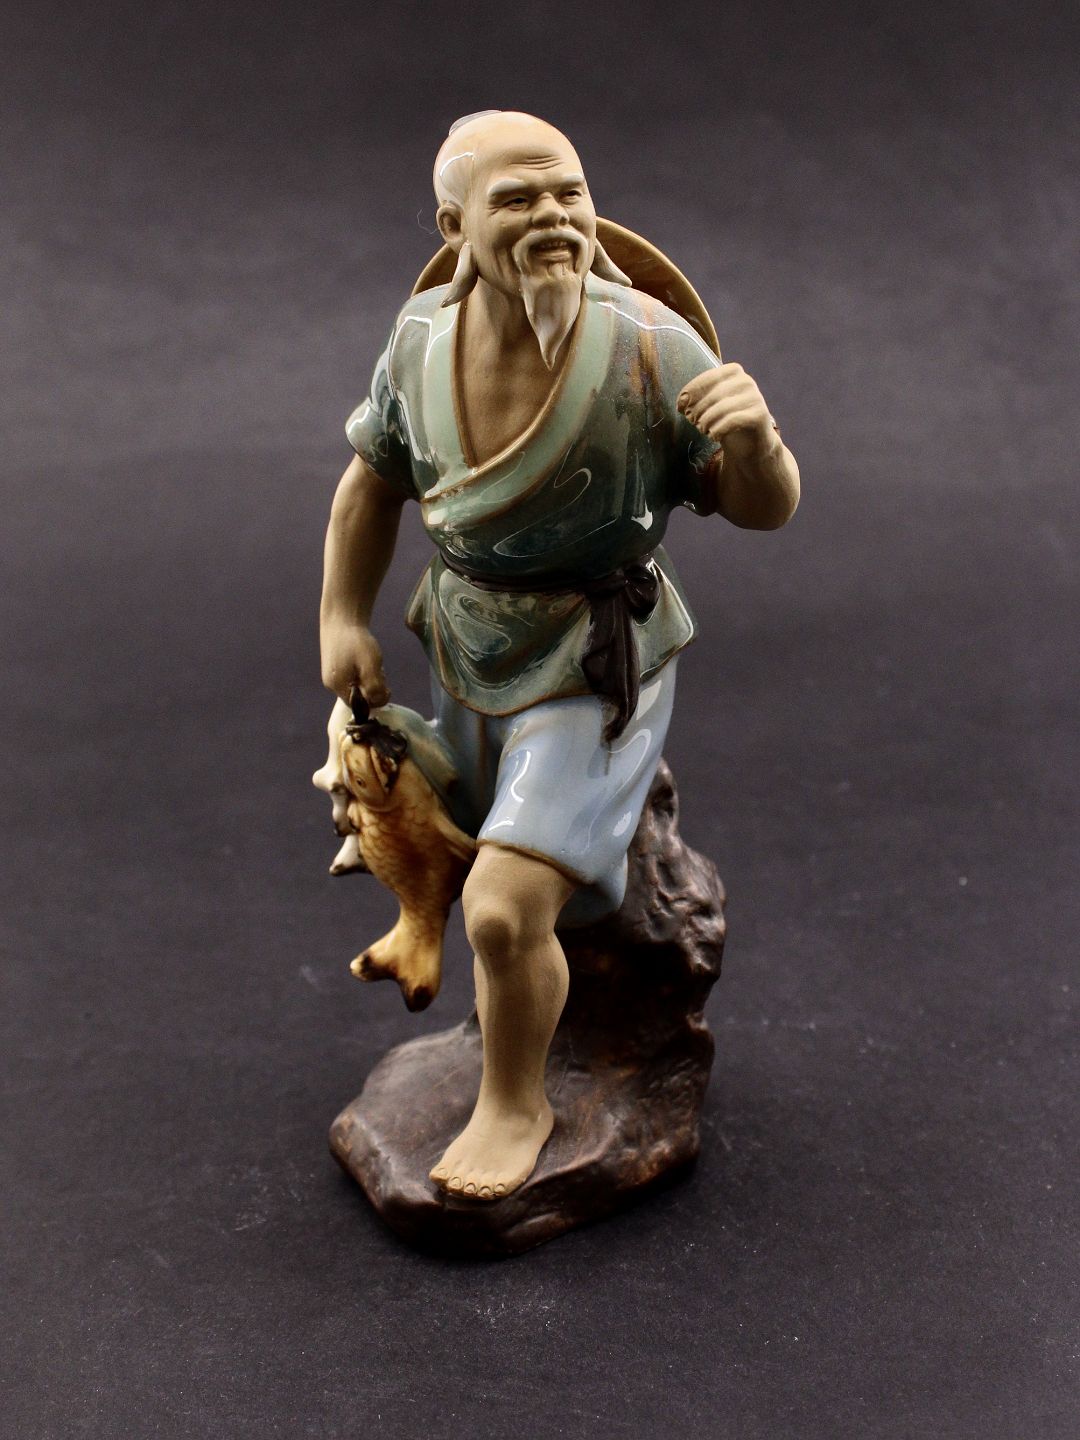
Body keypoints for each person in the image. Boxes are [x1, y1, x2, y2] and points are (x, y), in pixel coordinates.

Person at [319, 110, 800, 1200]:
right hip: (466, 640)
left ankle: (515, 1104)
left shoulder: (651, 347)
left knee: (502, 906)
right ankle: (515, 1015)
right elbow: (370, 486)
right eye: (518, 199)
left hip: (597, 661)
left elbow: (760, 508)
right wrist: (341, 616)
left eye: (568, 193)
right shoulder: (419, 341)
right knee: (453, 844)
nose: (553, 218)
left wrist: (758, 439)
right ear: (454, 225)